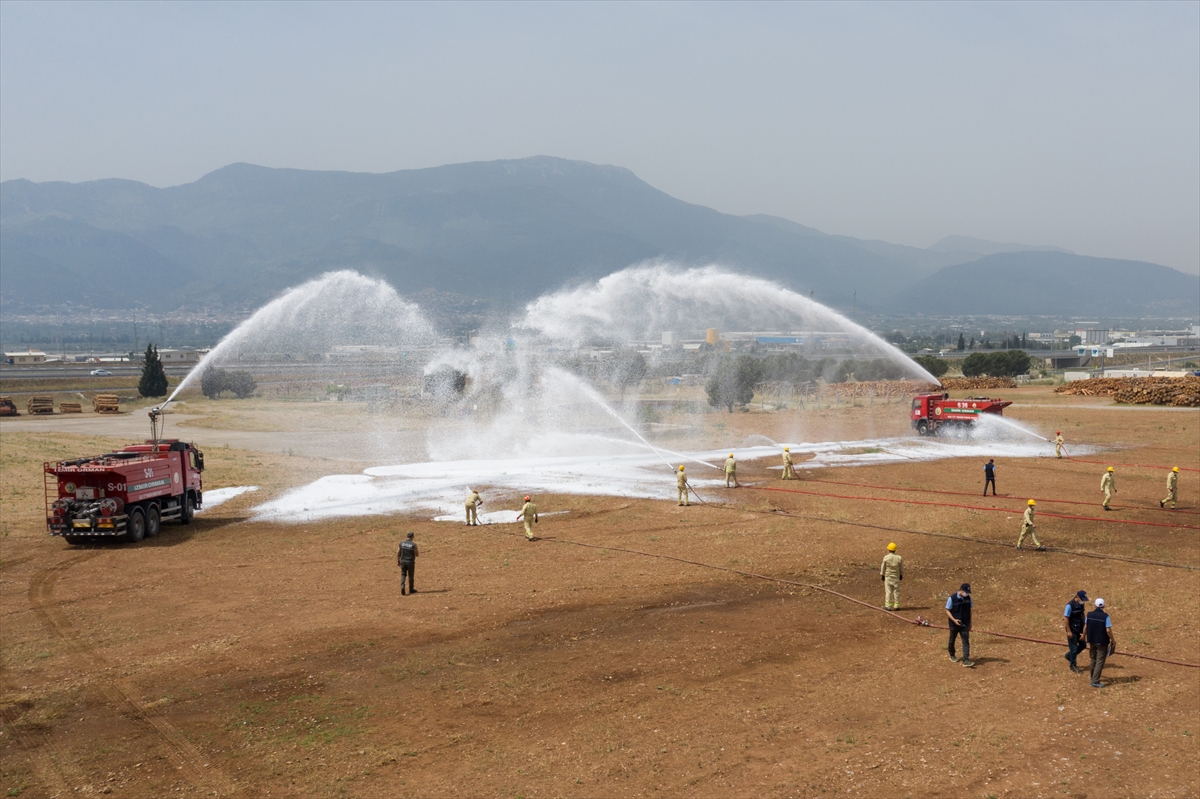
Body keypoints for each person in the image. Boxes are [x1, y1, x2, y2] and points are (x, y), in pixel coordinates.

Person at [1085, 597, 1115, 688]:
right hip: (1102, 642)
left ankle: (1092, 675)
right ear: (1104, 606)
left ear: (1095, 605)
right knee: (1100, 661)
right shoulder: (1106, 616)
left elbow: (1085, 627)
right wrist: (1113, 640)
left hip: (1091, 640)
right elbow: (1108, 630)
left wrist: (1083, 636)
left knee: (1093, 658)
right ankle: (1095, 681)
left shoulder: (1089, 615)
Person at [945, 583, 974, 668]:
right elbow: (947, 610)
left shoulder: (968, 598)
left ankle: (966, 660)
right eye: (965, 591)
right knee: (952, 639)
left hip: (965, 623)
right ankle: (952, 655)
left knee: (966, 642)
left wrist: (970, 623)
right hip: (954, 624)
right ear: (961, 589)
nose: (966, 594)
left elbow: (969, 611)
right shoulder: (952, 598)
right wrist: (954, 620)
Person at [1063, 590, 1088, 674]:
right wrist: (1069, 631)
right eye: (1082, 599)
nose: (1083, 601)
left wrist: (1084, 628)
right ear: (1077, 596)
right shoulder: (1069, 606)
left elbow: (1082, 614)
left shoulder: (1081, 604)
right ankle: (1073, 665)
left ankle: (1069, 656)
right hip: (1072, 630)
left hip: (1080, 629)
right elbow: (1066, 618)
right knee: (1073, 649)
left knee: (1083, 645)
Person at [880, 542, 904, 610]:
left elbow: (883, 566)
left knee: (888, 591)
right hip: (896, 577)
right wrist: (901, 574)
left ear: (888, 549)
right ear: (895, 549)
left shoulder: (886, 557)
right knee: (896, 591)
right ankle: (896, 605)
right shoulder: (899, 558)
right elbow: (901, 567)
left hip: (888, 577)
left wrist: (882, 574)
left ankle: (887, 605)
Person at [397, 531, 418, 596]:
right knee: (410, 576)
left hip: (403, 561)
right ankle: (411, 589)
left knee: (403, 574)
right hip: (410, 562)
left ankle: (402, 586)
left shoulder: (401, 543)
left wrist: (398, 560)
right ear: (412, 537)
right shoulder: (413, 545)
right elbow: (417, 554)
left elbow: (398, 552)